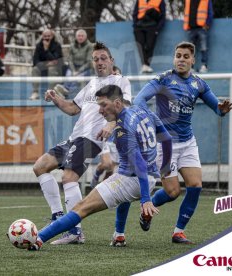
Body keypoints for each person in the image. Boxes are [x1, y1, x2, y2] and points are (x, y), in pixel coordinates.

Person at [28, 84, 172, 251]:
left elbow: (139, 162)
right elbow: (167, 139)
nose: (100, 111)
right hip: (149, 177)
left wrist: (146, 198)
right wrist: (165, 168)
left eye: (103, 105)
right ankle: (119, 234)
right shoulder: (143, 111)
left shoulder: (122, 129)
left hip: (133, 180)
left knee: (81, 208)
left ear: (117, 103)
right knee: (123, 196)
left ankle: (38, 238)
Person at [31, 42, 131, 245]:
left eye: (104, 58)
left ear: (111, 60)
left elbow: (125, 108)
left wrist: (111, 126)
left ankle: (75, 231)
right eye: (96, 59)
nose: (100, 62)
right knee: (40, 167)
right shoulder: (91, 84)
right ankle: (59, 217)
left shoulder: (121, 81)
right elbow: (72, 109)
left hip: (92, 139)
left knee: (69, 177)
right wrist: (55, 98)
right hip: (74, 137)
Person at [133, 41, 232, 244]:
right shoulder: (163, 79)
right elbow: (139, 100)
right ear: (174, 58)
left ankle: (178, 231)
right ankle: (146, 210)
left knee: (195, 185)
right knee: (172, 192)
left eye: (186, 56)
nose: (181, 59)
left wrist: (222, 108)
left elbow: (217, 108)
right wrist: (149, 120)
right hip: (165, 145)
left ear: (193, 60)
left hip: (187, 142)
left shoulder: (199, 84)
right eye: (178, 55)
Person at [90, 65, 124, 188]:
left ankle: (101, 189)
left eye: (118, 75)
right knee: (107, 163)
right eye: (113, 75)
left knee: (111, 168)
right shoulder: (102, 94)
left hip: (116, 139)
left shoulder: (123, 97)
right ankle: (95, 177)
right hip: (103, 136)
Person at [54, 29, 93, 97]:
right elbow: (70, 60)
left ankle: (66, 91)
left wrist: (78, 71)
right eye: (78, 36)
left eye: (82, 36)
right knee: (68, 74)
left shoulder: (90, 46)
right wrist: (73, 70)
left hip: (85, 69)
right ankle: (65, 91)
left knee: (77, 78)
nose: (80, 37)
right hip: (74, 68)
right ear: (76, 37)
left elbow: (89, 62)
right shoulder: (72, 45)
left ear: (85, 37)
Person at [29, 29, 64, 100]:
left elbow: (56, 60)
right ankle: (35, 92)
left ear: (52, 36)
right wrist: (46, 64)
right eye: (45, 36)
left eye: (49, 36)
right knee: (35, 69)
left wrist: (46, 49)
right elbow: (35, 61)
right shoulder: (39, 46)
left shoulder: (57, 45)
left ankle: (51, 93)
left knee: (52, 69)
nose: (47, 38)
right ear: (42, 36)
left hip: (55, 67)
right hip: (43, 66)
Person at [132, 0, 166, 74]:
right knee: (140, 45)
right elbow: (135, 14)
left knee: (149, 46)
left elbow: (163, 16)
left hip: (152, 26)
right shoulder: (140, 1)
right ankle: (144, 65)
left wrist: (158, 29)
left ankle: (147, 65)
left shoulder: (160, 1)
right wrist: (135, 25)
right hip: (139, 26)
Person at [183, 0, 214, 73]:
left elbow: (210, 13)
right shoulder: (187, 1)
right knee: (190, 49)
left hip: (202, 28)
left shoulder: (206, 0)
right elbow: (186, 13)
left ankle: (204, 66)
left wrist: (207, 25)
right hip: (191, 28)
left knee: (204, 47)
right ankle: (190, 67)